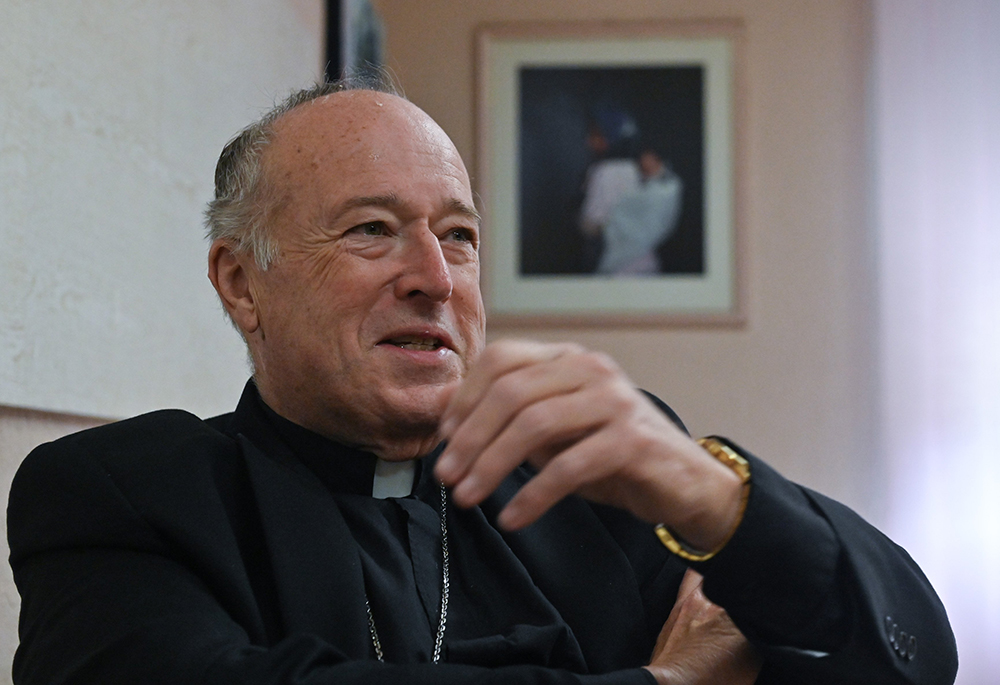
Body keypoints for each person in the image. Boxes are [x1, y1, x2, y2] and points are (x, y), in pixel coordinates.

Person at [7, 79, 957, 685]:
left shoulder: (591, 480)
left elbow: (906, 655)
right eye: (372, 229)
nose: (434, 276)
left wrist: (713, 492)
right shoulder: (123, 493)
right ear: (242, 282)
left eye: (457, 235)